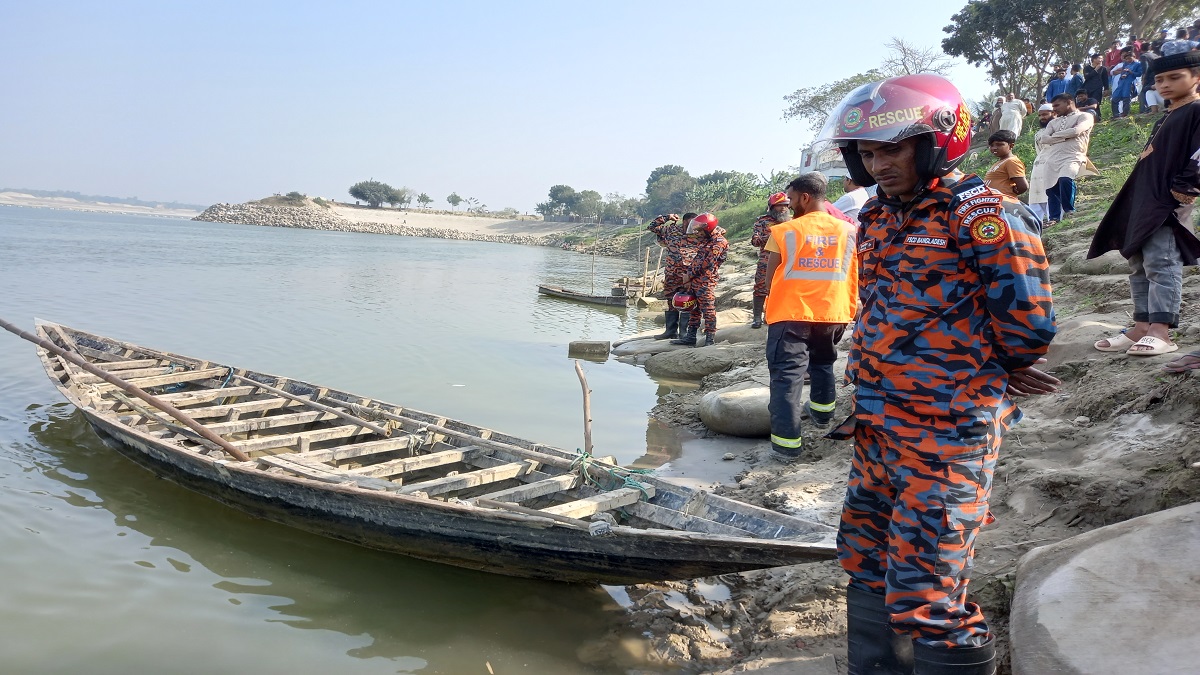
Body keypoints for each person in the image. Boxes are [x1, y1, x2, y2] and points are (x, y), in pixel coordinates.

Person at [819, 72, 1057, 675]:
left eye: (893, 149)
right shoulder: (878, 216)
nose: (879, 165)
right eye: (868, 153)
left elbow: (1028, 324)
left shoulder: (985, 214)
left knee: (930, 591)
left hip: (945, 433)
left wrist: (992, 366)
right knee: (866, 560)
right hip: (877, 424)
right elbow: (880, 304)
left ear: (936, 142)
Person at [1089, 51, 1200, 360]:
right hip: (1144, 198)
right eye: (1159, 79)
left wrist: (1184, 190)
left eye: (1175, 77)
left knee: (1161, 262)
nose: (1164, 84)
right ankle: (1141, 327)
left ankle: (1161, 332)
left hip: (1166, 201)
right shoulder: (1168, 115)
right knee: (1138, 263)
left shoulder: (1196, 110)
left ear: (1197, 77)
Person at [761, 172, 858, 458]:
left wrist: (771, 300)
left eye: (791, 199)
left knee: (787, 377)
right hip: (834, 311)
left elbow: (769, 278)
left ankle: (786, 446)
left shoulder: (785, 231)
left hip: (791, 313)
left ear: (805, 197)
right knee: (824, 362)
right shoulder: (849, 230)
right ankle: (822, 414)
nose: (789, 205)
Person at [671, 213, 728, 347]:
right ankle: (690, 336)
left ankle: (709, 339)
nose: (697, 232)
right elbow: (697, 258)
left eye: (700, 230)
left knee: (708, 310)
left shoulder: (719, 242)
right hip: (695, 279)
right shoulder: (707, 240)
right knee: (694, 310)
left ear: (707, 229)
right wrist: (689, 275)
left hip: (706, 280)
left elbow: (707, 263)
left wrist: (689, 275)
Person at [1038, 93, 1095, 224]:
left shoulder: (1085, 116)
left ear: (1069, 102)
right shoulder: (1053, 122)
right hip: (1052, 158)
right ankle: (1054, 218)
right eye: (1053, 107)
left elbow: (1077, 131)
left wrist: (1055, 136)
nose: (1054, 109)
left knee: (1065, 179)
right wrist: (1066, 136)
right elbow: (1044, 139)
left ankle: (1069, 210)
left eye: (1057, 105)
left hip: (1073, 155)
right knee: (1051, 189)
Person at [647, 211, 699, 340]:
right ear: (684, 221)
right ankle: (670, 331)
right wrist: (667, 217)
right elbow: (652, 227)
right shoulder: (672, 230)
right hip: (672, 273)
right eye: (690, 222)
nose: (692, 225)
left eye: (695, 223)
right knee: (671, 300)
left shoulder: (699, 233)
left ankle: (684, 333)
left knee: (688, 301)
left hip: (688, 274)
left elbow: (717, 233)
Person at [749, 193, 792, 329]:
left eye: (785, 205)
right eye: (779, 206)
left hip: (787, 260)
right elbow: (755, 241)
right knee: (761, 287)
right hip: (766, 260)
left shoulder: (793, 221)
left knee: (783, 289)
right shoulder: (762, 221)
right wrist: (773, 236)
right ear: (772, 207)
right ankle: (757, 318)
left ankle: (772, 315)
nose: (783, 208)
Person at [1027, 104, 1057, 221]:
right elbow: (1038, 150)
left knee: (1052, 193)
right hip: (1039, 166)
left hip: (1055, 163)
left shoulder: (1060, 128)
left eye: (1045, 114)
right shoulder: (1038, 133)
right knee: (1037, 197)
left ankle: (1054, 219)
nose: (1042, 117)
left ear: (1054, 113)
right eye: (1040, 115)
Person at [984, 130, 1029, 199]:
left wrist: (1008, 195)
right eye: (991, 145)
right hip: (994, 201)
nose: (994, 148)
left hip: (1003, 202)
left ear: (1011, 145)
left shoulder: (1012, 161)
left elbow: (1023, 186)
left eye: (999, 144)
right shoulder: (1000, 162)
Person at [1111, 49, 1143, 118]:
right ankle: (1115, 114)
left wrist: (1131, 72)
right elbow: (1122, 72)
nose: (1128, 60)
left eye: (1129, 58)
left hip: (1130, 83)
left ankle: (1125, 114)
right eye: (1126, 59)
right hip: (1122, 83)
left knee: (1126, 98)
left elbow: (1139, 74)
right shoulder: (1125, 64)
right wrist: (1122, 76)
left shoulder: (1138, 64)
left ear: (1134, 57)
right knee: (1114, 98)